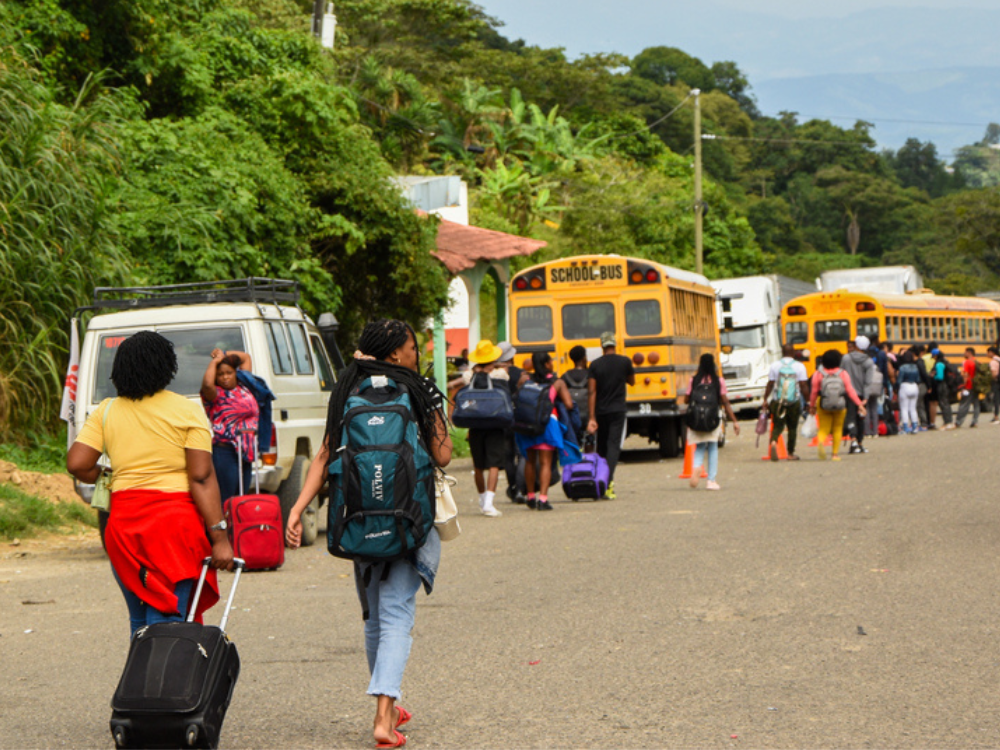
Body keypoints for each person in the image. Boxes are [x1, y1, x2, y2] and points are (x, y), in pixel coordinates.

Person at [285, 319, 452, 749]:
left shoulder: (347, 392)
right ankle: (383, 716)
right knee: (397, 613)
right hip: (409, 520)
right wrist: (432, 403)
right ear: (396, 353)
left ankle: (389, 705)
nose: (417, 354)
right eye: (413, 348)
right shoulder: (415, 390)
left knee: (376, 615)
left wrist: (298, 508)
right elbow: (444, 456)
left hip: (359, 520)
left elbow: (324, 454)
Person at [66, 331, 234, 635]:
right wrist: (219, 537)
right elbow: (201, 476)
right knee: (167, 622)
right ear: (166, 367)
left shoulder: (107, 411)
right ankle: (164, 683)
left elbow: (77, 464)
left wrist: (109, 477)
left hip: (123, 526)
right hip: (173, 528)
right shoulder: (186, 410)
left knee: (140, 621)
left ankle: (142, 683)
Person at [448, 339, 506, 517]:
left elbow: (454, 388)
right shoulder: (501, 374)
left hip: (474, 423)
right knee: (494, 464)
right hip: (495, 422)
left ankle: (482, 499)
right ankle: (489, 502)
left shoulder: (468, 376)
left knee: (478, 464)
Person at [515, 351, 577, 511]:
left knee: (529, 461)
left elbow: (518, 396)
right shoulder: (557, 383)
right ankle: (543, 499)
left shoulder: (524, 379)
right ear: (548, 364)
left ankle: (530, 497)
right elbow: (569, 404)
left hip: (526, 423)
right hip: (547, 424)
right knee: (545, 463)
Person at [201, 349, 259, 502]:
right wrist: (215, 362)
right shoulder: (214, 394)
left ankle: (239, 526)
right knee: (227, 499)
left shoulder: (245, 386)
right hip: (226, 452)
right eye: (220, 374)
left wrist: (223, 354)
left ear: (236, 373)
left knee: (242, 497)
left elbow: (246, 357)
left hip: (246, 452)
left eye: (229, 372)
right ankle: (225, 526)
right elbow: (207, 384)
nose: (225, 377)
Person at [586, 332, 635, 500]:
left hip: (600, 411)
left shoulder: (595, 365)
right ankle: (608, 482)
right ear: (614, 344)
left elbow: (591, 391)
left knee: (601, 446)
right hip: (618, 409)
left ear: (602, 346)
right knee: (613, 446)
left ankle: (599, 481)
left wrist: (591, 417)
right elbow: (632, 381)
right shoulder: (624, 362)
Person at [681, 353, 740, 489]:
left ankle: (696, 467)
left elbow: (686, 400)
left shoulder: (694, 380)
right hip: (712, 418)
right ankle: (711, 480)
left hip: (697, 419)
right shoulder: (718, 381)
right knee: (713, 447)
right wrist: (735, 421)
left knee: (700, 446)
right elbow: (725, 402)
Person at [808, 349, 867, 461]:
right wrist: (859, 404)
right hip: (840, 403)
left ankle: (820, 442)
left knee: (824, 428)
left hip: (823, 403)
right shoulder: (843, 373)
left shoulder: (818, 374)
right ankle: (835, 454)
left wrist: (812, 406)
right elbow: (850, 390)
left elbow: (814, 392)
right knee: (837, 428)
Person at [762, 343, 809, 460]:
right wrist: (808, 401)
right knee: (792, 427)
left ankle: (773, 442)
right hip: (794, 401)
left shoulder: (775, 365)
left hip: (778, 401)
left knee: (778, 425)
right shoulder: (799, 366)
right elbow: (803, 385)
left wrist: (765, 399)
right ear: (793, 353)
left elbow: (770, 384)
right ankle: (790, 453)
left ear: (782, 353)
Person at [494, 342, 526, 504]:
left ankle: (512, 487)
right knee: (521, 455)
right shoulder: (521, 374)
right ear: (512, 357)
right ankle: (521, 489)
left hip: (501, 418)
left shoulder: (494, 374)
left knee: (508, 456)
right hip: (518, 418)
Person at [841, 336, 875, 454]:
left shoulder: (845, 358)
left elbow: (841, 374)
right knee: (861, 418)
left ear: (855, 346)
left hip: (848, 393)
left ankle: (854, 440)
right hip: (861, 394)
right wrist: (866, 397)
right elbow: (868, 381)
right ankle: (860, 443)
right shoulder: (869, 361)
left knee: (850, 416)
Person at [561, 345, 590, 442]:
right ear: (584, 358)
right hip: (588, 415)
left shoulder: (565, 376)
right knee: (589, 441)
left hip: (572, 415)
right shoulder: (590, 374)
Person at [895, 351, 922, 434]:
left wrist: (895, 387)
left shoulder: (902, 367)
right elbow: (918, 379)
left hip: (905, 386)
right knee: (913, 408)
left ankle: (905, 427)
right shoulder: (915, 367)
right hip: (914, 386)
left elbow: (899, 380)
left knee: (904, 409)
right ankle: (915, 426)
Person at [955, 347, 980, 429]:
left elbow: (965, 375)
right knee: (976, 404)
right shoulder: (977, 362)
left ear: (969, 353)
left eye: (965, 352)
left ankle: (958, 422)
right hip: (976, 386)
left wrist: (963, 386)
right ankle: (975, 422)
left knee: (964, 404)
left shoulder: (967, 362)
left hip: (968, 386)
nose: (964, 354)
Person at [931, 348, 955, 429]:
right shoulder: (945, 362)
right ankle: (949, 422)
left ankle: (947, 422)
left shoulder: (939, 364)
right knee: (946, 403)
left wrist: (933, 376)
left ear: (936, 356)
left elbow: (940, 377)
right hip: (946, 385)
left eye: (933, 356)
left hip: (941, 385)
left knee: (943, 403)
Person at [989, 346, 1000, 424]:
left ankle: (996, 416)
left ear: (991, 352)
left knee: (996, 399)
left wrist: (992, 380)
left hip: (997, 382)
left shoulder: (993, 361)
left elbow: (994, 373)